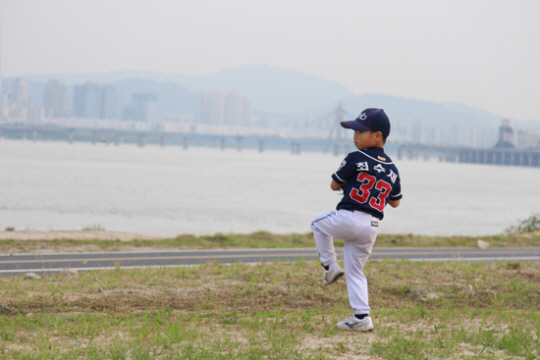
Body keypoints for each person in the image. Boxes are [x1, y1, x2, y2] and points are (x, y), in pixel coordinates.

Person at [311, 108, 402, 332]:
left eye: (361, 131)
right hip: (371, 226)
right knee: (355, 271)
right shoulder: (392, 169)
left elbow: (334, 185)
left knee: (317, 222)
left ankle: (329, 266)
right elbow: (395, 202)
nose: (355, 136)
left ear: (377, 135)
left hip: (349, 218)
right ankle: (362, 317)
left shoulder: (355, 158)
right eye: (354, 131)